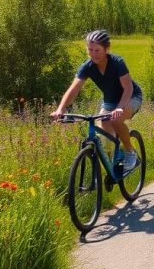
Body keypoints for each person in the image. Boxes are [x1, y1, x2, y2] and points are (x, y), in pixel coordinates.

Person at [52, 30, 144, 171]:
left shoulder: (117, 63)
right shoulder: (87, 66)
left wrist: (120, 107)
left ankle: (130, 152)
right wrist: (61, 109)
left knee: (115, 120)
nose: (93, 54)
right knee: (105, 133)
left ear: (107, 48)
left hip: (131, 97)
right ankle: (115, 158)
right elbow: (74, 89)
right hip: (110, 101)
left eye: (97, 50)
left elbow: (128, 88)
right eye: (90, 50)